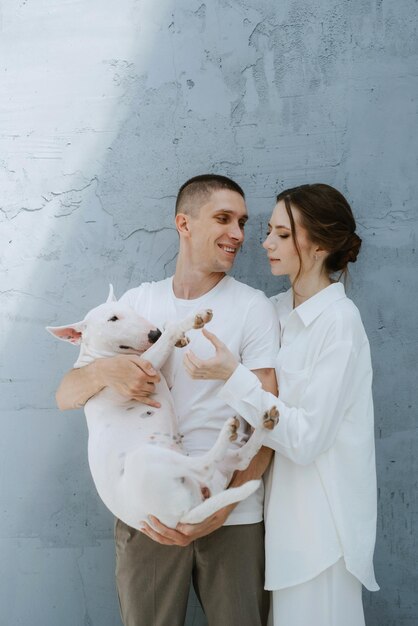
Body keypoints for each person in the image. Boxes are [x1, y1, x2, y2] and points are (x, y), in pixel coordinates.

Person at [55, 174, 279, 626]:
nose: (238, 234)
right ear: (184, 223)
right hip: (147, 516)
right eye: (223, 219)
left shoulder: (254, 307)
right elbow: (66, 394)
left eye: (242, 222)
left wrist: (228, 505)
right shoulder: (137, 304)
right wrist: (103, 371)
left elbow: (268, 421)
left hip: (230, 516)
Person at [184, 183, 379, 626]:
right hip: (279, 532)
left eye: (283, 234)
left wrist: (233, 377)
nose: (266, 243)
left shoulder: (339, 324)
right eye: (268, 231)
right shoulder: (272, 312)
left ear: (319, 246)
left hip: (321, 534)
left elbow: (307, 439)